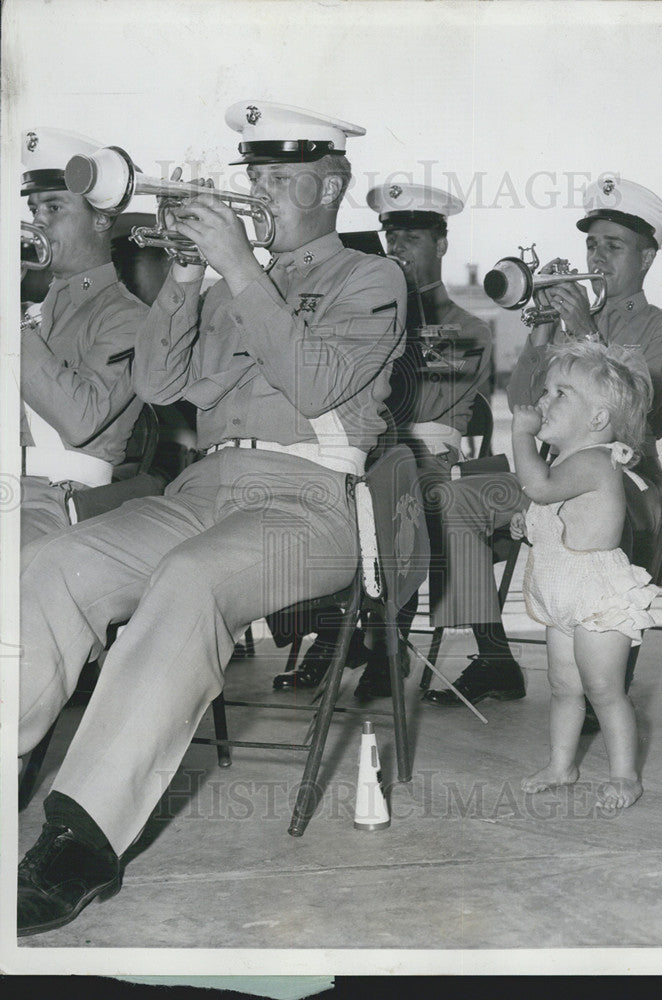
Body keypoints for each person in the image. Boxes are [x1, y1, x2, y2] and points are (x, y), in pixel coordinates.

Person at [17, 101, 406, 937]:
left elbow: (311, 387)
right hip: (201, 492)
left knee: (190, 583)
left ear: (331, 183)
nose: (259, 194)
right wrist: (188, 280)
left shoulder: (369, 279)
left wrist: (236, 267)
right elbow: (162, 388)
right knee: (54, 565)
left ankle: (80, 840)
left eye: (278, 178)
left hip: (306, 502)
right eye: (253, 177)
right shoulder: (234, 282)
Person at [423, 176, 662, 708]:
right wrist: (542, 326)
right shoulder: (566, 325)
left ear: (648, 258)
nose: (597, 256)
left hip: (625, 482)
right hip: (551, 478)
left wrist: (586, 330)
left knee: (592, 516)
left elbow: (636, 421)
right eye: (592, 243)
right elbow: (524, 406)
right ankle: (495, 658)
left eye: (613, 246)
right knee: (452, 501)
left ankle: (601, 681)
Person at [272, 182, 495, 702]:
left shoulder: (466, 328)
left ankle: (384, 648)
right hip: (362, 451)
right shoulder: (366, 308)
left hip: (424, 458)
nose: (396, 248)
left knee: (395, 496)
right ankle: (333, 634)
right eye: (390, 236)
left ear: (441, 245)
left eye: (411, 238)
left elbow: (414, 403)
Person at [512, 341, 657, 810]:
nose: (543, 400)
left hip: (596, 600)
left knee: (604, 690)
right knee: (562, 687)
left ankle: (625, 775)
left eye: (561, 393)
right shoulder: (564, 461)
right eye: (547, 389)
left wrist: (519, 434)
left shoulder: (596, 460)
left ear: (597, 420)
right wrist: (529, 523)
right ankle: (561, 764)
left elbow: (538, 486)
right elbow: (551, 506)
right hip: (562, 598)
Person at [19, 128, 147, 546]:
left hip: (58, 499)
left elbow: (80, 422)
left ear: (100, 218)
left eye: (54, 207)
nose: (38, 220)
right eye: (35, 207)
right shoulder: (28, 313)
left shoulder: (130, 317)